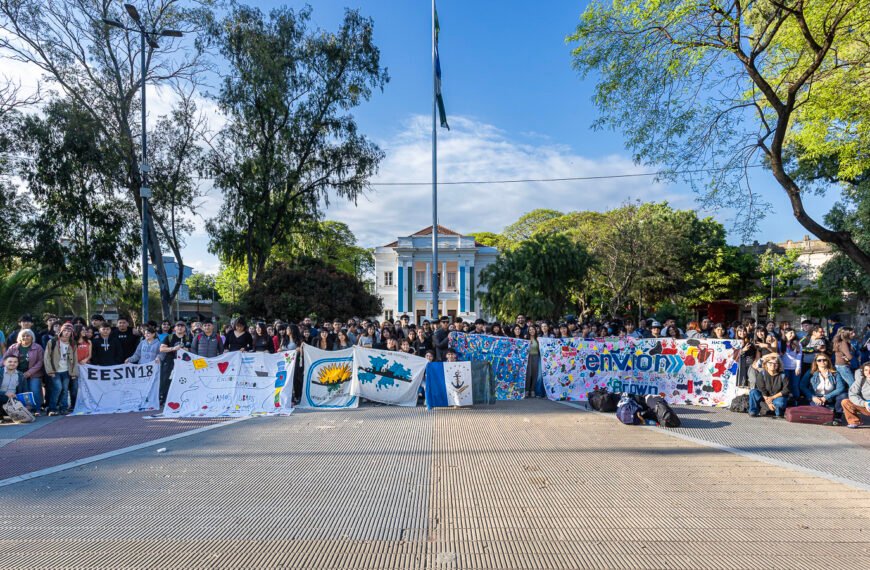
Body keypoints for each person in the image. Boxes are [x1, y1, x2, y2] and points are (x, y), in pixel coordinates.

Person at [3, 330, 45, 415]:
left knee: (34, 390)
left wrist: (29, 373)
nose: (25, 337)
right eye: (23, 336)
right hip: (17, 374)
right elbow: (5, 358)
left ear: (32, 337)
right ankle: (24, 410)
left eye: (28, 336)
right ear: (19, 337)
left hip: (34, 374)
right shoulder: (13, 347)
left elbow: (40, 362)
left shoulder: (38, 347)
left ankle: (37, 409)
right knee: (21, 392)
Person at [801, 353, 848, 426]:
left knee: (843, 395)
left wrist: (826, 397)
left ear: (828, 361)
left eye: (824, 360)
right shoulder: (811, 372)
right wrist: (812, 397)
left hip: (831, 397)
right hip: (816, 397)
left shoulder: (835, 373)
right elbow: (802, 386)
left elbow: (840, 388)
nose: (822, 362)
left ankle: (837, 417)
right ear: (816, 362)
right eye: (819, 360)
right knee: (820, 414)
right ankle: (827, 414)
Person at [43, 323, 78, 415]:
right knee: (58, 388)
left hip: (66, 370)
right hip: (55, 370)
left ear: (72, 333)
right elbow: (47, 357)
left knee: (65, 389)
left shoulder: (73, 343)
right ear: (61, 331)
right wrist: (50, 370)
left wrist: (74, 372)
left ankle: (64, 407)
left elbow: (75, 358)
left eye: (69, 331)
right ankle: (52, 408)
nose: (67, 333)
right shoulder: (53, 341)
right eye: (65, 331)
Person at [159, 322, 192, 405]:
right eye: (178, 326)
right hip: (170, 361)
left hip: (184, 363)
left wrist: (185, 349)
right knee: (166, 380)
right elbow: (162, 349)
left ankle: (182, 399)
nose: (180, 328)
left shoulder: (188, 337)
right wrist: (173, 348)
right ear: (175, 328)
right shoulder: (169, 337)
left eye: (182, 326)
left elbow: (193, 350)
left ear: (185, 328)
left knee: (183, 380)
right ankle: (164, 399)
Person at [748, 353, 789, 418]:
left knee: (780, 402)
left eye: (775, 363)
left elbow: (786, 390)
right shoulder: (762, 374)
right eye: (770, 363)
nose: (773, 365)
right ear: (766, 364)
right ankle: (753, 411)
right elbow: (762, 389)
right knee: (753, 392)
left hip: (776, 397)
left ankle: (778, 413)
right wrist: (769, 403)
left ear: (778, 365)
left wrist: (772, 398)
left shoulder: (783, 375)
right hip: (765, 397)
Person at [842, 362, 870, 429]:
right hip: (865, 405)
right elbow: (852, 394)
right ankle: (854, 422)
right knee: (845, 402)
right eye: (866, 370)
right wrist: (864, 403)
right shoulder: (860, 380)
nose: (868, 372)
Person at [781, 329, 803, 405]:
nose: (792, 334)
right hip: (784, 368)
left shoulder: (798, 343)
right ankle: (785, 401)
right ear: (785, 334)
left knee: (795, 385)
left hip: (794, 368)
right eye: (790, 333)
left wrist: (798, 367)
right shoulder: (781, 343)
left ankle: (796, 401)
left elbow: (799, 356)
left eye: (793, 333)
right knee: (786, 385)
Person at [1, 354, 24, 420]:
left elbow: (24, 390)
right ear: (4, 362)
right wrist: (5, 393)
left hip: (13, 400)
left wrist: (26, 404)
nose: (12, 363)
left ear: (17, 363)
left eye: (15, 362)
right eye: (10, 361)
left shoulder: (21, 375)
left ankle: (5, 415)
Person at [526, 325, 540, 399]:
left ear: (535, 330)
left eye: (533, 329)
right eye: (530, 330)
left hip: (536, 357)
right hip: (528, 358)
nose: (532, 331)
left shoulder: (538, 339)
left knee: (535, 374)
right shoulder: (526, 339)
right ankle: (527, 390)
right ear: (528, 331)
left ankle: (532, 390)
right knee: (528, 375)